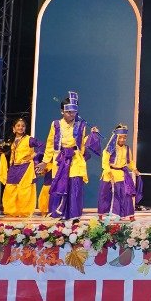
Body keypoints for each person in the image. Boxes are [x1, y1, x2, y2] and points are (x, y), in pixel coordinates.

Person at [43, 92, 99, 220]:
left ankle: (74, 216)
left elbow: (82, 144)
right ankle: (58, 215)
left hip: (75, 158)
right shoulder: (56, 124)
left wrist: (93, 135)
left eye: (74, 112)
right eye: (68, 112)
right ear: (62, 111)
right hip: (60, 158)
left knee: (75, 186)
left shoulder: (81, 125)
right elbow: (50, 143)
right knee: (60, 186)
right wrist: (45, 161)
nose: (71, 114)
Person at [0, 117, 40, 219]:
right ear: (14, 128)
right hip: (13, 168)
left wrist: (33, 155)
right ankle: (11, 211)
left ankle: (24, 212)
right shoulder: (11, 140)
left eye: (23, 126)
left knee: (24, 191)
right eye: (18, 125)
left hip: (25, 167)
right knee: (10, 189)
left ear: (25, 128)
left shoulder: (29, 139)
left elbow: (42, 146)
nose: (20, 127)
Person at [98, 124, 141, 218]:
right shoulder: (110, 148)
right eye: (120, 137)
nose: (122, 139)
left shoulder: (127, 149)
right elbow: (105, 162)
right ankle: (102, 214)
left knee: (125, 194)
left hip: (121, 175)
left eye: (124, 137)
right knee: (105, 195)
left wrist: (134, 169)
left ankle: (128, 214)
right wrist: (108, 171)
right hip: (109, 174)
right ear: (116, 137)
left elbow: (129, 161)